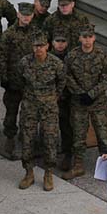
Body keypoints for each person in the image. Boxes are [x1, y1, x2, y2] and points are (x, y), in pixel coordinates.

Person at [62, 23, 107, 180]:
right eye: (84, 37)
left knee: (103, 137)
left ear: (94, 37)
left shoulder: (103, 55)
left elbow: (106, 78)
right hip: (79, 103)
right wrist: (80, 93)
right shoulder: (72, 56)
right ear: (79, 38)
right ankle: (78, 166)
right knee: (78, 136)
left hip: (97, 103)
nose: (87, 40)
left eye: (90, 37)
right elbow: (67, 76)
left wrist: (91, 94)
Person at [18, 33, 64, 191]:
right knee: (27, 139)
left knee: (50, 139)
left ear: (47, 46)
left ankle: (48, 173)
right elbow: (20, 81)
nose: (38, 49)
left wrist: (52, 97)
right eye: (35, 46)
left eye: (41, 45)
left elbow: (62, 82)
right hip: (30, 106)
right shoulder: (25, 62)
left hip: (49, 107)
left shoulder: (56, 64)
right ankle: (29, 172)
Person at [0, 2, 38, 155]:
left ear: (32, 15)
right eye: (23, 14)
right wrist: (4, 78)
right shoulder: (8, 34)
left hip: (30, 82)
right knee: (11, 112)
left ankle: (26, 137)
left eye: (29, 15)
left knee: (29, 113)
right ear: (18, 15)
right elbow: (1, 57)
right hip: (13, 81)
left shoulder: (37, 33)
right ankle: (9, 137)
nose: (26, 17)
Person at [51, 31, 74, 171]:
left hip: (66, 97)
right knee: (49, 129)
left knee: (66, 127)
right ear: (52, 42)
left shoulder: (71, 57)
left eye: (63, 41)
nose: (60, 44)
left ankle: (67, 154)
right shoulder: (46, 56)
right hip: (49, 98)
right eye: (57, 41)